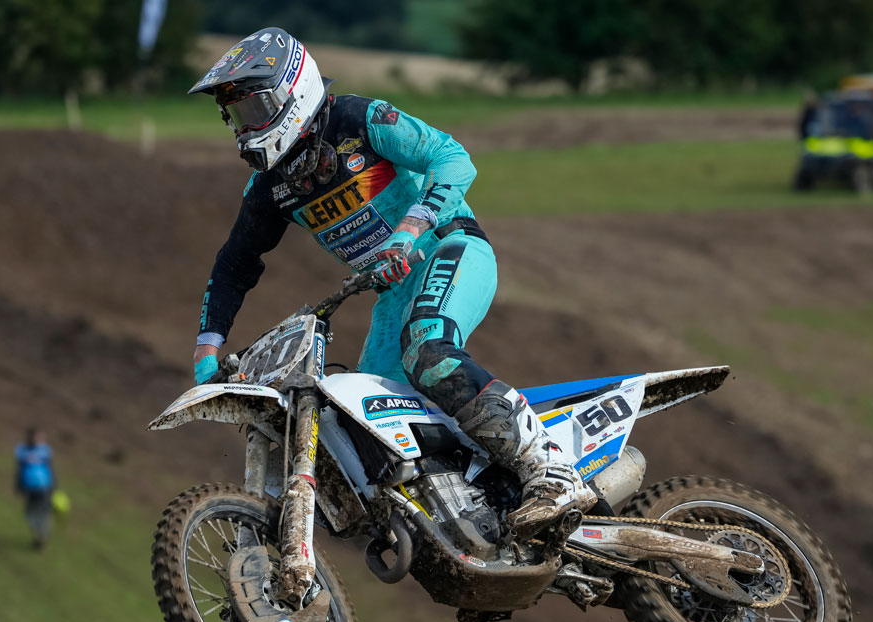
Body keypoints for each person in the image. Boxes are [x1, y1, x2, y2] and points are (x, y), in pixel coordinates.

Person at [187, 28, 596, 537]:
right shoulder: (270, 186)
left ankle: (549, 468)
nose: (247, 127)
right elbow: (235, 262)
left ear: (294, 89)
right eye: (237, 115)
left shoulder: (359, 120)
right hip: (393, 290)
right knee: (364, 422)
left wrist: (409, 230)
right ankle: (479, 506)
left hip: (448, 248)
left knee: (428, 349)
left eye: (255, 108)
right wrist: (208, 349)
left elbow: (453, 158)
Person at [14, 428, 56, 549]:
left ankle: (43, 536)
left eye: (37, 437)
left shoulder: (45, 452)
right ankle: (37, 536)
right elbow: (19, 470)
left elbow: (51, 470)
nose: (34, 440)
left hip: (44, 488)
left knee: (43, 514)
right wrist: (18, 486)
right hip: (29, 489)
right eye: (32, 437)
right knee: (30, 514)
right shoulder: (22, 451)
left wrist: (54, 487)